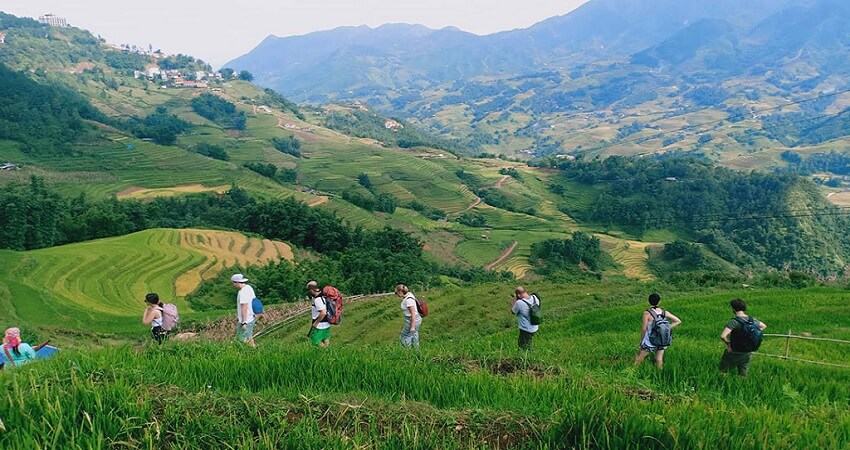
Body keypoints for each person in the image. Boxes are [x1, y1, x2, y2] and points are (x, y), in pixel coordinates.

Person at [719, 298, 767, 376]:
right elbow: (763, 326)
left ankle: (723, 385)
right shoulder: (752, 320)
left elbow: (723, 336)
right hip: (748, 352)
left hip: (735, 351)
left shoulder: (734, 321)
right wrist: (751, 334)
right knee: (743, 374)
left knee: (723, 371)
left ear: (733, 309)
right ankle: (742, 385)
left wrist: (728, 344)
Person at [634, 293, 682, 369]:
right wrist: (667, 327)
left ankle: (632, 373)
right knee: (659, 360)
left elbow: (644, 329)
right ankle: (660, 374)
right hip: (662, 339)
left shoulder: (647, 313)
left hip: (650, 340)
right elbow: (678, 321)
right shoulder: (664, 312)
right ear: (659, 301)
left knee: (639, 360)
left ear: (649, 301)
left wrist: (641, 340)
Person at [231, 273, 257, 348]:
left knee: (241, 339)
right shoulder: (249, 287)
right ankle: (254, 350)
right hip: (251, 317)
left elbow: (244, 307)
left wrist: (243, 322)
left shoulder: (242, 292)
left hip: (247, 320)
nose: (233, 285)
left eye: (233, 283)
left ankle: (248, 352)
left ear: (236, 282)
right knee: (249, 336)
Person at [395, 284, 422, 349]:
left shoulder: (408, 300)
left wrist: (412, 326)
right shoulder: (410, 295)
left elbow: (413, 313)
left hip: (412, 320)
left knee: (404, 336)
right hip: (417, 319)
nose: (397, 295)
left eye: (397, 293)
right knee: (414, 334)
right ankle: (416, 350)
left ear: (400, 292)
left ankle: (407, 351)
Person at [307, 280, 331, 348]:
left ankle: (326, 352)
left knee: (315, 341)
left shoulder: (317, 299)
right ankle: (328, 353)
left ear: (311, 289)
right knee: (325, 338)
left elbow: (323, 312)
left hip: (319, 324)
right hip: (327, 323)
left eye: (309, 290)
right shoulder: (324, 296)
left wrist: (316, 323)